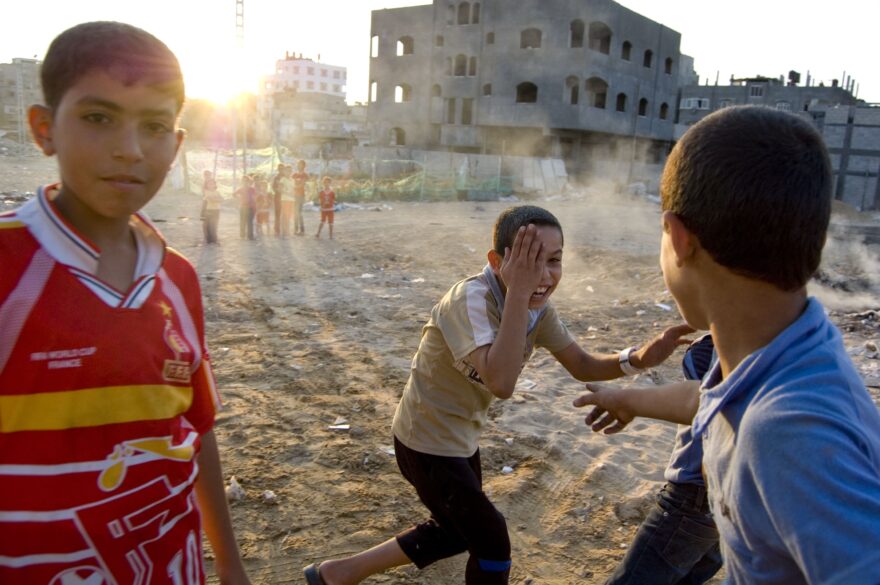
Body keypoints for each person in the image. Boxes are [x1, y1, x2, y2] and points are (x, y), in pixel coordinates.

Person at [303, 205, 692, 585]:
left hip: (460, 440)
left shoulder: (537, 309)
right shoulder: (470, 300)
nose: (544, 275)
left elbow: (582, 364)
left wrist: (639, 358)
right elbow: (502, 383)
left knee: (455, 531)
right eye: (529, 262)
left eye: (554, 260)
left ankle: (340, 573)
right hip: (426, 442)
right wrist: (520, 293)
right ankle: (340, 573)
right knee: (492, 543)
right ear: (496, 261)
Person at [574, 106, 880, 584]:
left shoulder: (787, 432)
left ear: (678, 238)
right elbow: (713, 400)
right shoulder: (784, 352)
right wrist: (629, 398)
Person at [0, 21, 250, 584]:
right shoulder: (8, 268)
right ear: (44, 129)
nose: (130, 150)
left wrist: (231, 566)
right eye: (98, 117)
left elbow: (196, 427)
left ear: (177, 146)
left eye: (154, 126)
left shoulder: (177, 277)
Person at [605, 333, 721, 585]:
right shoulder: (790, 331)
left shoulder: (740, 332)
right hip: (735, 499)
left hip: (695, 496)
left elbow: (704, 403)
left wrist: (626, 401)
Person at [202, 169, 223, 244]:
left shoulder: (217, 192)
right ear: (207, 185)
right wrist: (216, 199)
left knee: (214, 225)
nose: (211, 185)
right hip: (208, 210)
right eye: (209, 184)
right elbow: (210, 199)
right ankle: (208, 239)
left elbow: (221, 199)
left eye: (212, 184)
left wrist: (216, 199)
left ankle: (214, 239)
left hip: (216, 210)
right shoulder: (206, 192)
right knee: (207, 225)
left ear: (215, 185)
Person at [235, 174, 256, 240]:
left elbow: (255, 197)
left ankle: (250, 236)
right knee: (243, 221)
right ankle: (242, 235)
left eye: (247, 180)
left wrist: (253, 202)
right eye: (243, 181)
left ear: (249, 181)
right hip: (243, 207)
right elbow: (234, 194)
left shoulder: (252, 189)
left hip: (250, 207)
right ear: (241, 182)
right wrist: (239, 198)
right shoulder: (241, 189)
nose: (245, 182)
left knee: (250, 222)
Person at [278, 164, 295, 238]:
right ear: (284, 171)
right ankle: (284, 232)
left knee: (289, 216)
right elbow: (279, 189)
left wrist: (293, 194)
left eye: (290, 171)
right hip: (285, 200)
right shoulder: (283, 179)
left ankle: (287, 231)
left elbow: (293, 190)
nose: (289, 172)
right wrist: (287, 193)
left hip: (292, 200)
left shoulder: (292, 180)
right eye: (287, 171)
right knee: (284, 216)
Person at [292, 159, 309, 236]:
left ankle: (302, 229)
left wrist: (294, 187)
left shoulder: (304, 175)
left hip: (301, 195)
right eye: (298, 164)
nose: (299, 165)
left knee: (299, 212)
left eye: (301, 164)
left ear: (304, 166)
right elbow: (291, 182)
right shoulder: (294, 175)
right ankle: (296, 229)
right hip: (294, 195)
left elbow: (302, 184)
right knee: (295, 212)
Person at [255, 174, 270, 238]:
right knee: (259, 222)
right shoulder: (259, 194)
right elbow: (257, 202)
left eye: (265, 186)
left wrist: (268, 202)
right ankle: (259, 231)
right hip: (260, 210)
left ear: (267, 187)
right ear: (260, 187)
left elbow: (270, 201)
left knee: (267, 222)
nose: (263, 187)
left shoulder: (268, 193)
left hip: (266, 210)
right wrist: (258, 209)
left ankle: (268, 232)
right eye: (262, 186)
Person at [271, 163, 285, 237]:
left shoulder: (286, 177)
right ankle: (277, 229)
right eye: (279, 168)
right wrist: (277, 190)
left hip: (285, 197)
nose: (281, 170)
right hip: (277, 197)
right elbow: (273, 187)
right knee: (277, 214)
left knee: (285, 214)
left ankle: (285, 229)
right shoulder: (276, 177)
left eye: (282, 168)